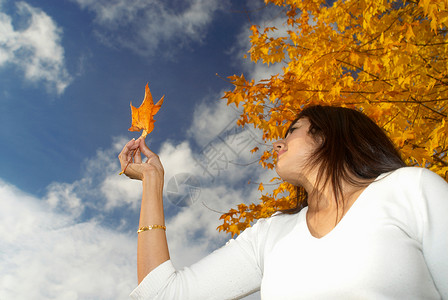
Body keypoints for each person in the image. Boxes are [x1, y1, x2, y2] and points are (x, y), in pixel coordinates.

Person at [119, 105, 448, 300]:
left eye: (293, 131)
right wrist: (152, 183)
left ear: (328, 136)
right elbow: (161, 294)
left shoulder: (410, 189)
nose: (278, 142)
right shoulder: (270, 235)